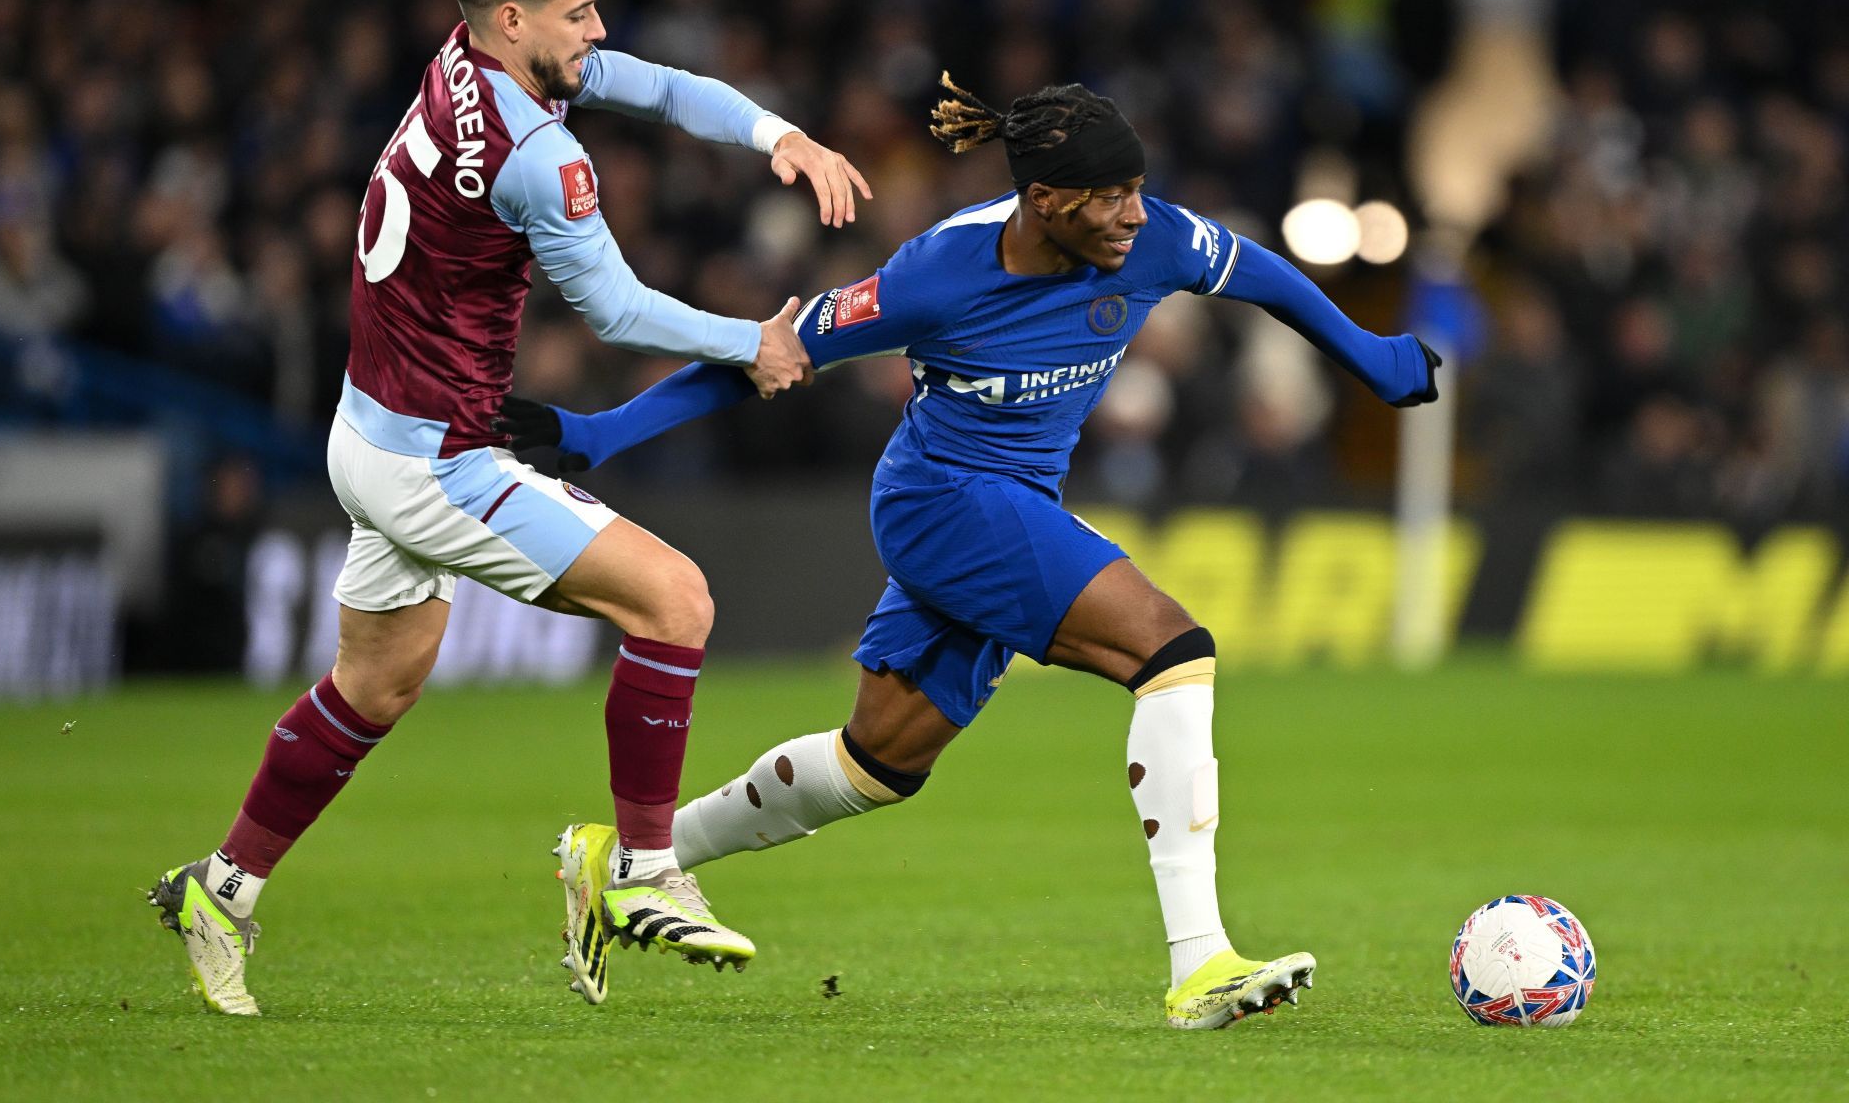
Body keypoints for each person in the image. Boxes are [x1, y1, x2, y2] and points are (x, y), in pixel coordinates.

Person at [506, 75, 1440, 1029]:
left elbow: (1259, 272)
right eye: (1110, 197)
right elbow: (771, 353)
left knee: (879, 763)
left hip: (1016, 501)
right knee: (1172, 650)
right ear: (1045, 201)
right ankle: (1200, 961)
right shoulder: (935, 275)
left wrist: (1370, 353)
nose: (1134, 215)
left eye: (1138, 189)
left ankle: (621, 855)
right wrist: (601, 434)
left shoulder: (1150, 237)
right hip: (943, 499)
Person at [146, 0, 872, 1016]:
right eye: (579, 12)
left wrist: (782, 136)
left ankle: (221, 888)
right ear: (514, 17)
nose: (599, 28)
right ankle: (635, 866)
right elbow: (616, 307)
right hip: (438, 457)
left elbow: (666, 89)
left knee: (378, 681)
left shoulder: (466, 65)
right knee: (676, 600)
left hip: (366, 430)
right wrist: (753, 342)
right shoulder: (543, 154)